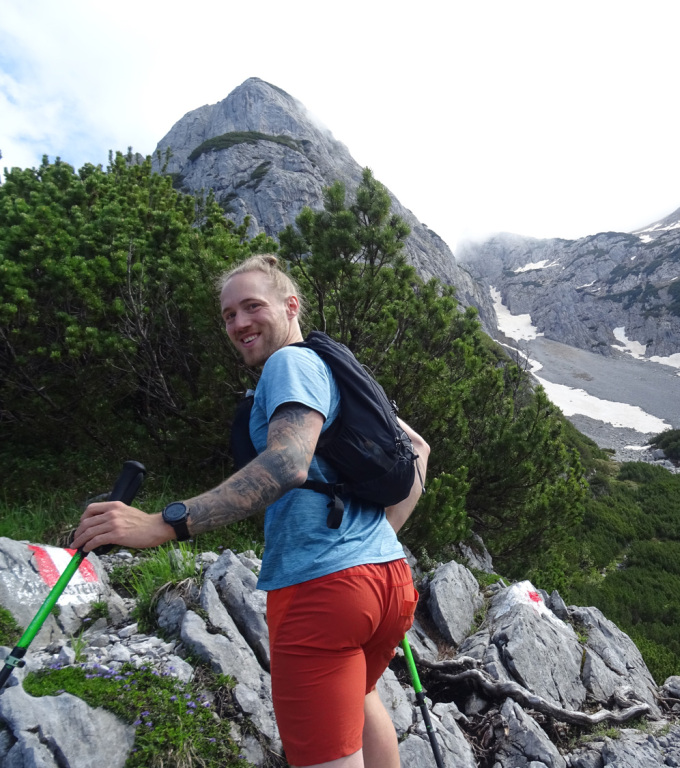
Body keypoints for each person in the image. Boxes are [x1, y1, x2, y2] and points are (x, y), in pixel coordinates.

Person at [73, 253, 430, 768]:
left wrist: (162, 524)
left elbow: (287, 463)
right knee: (361, 698)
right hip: (387, 582)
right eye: (227, 315)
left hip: (321, 589)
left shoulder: (290, 363)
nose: (238, 323)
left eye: (251, 307)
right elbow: (418, 448)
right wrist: (378, 543)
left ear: (291, 305)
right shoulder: (334, 367)